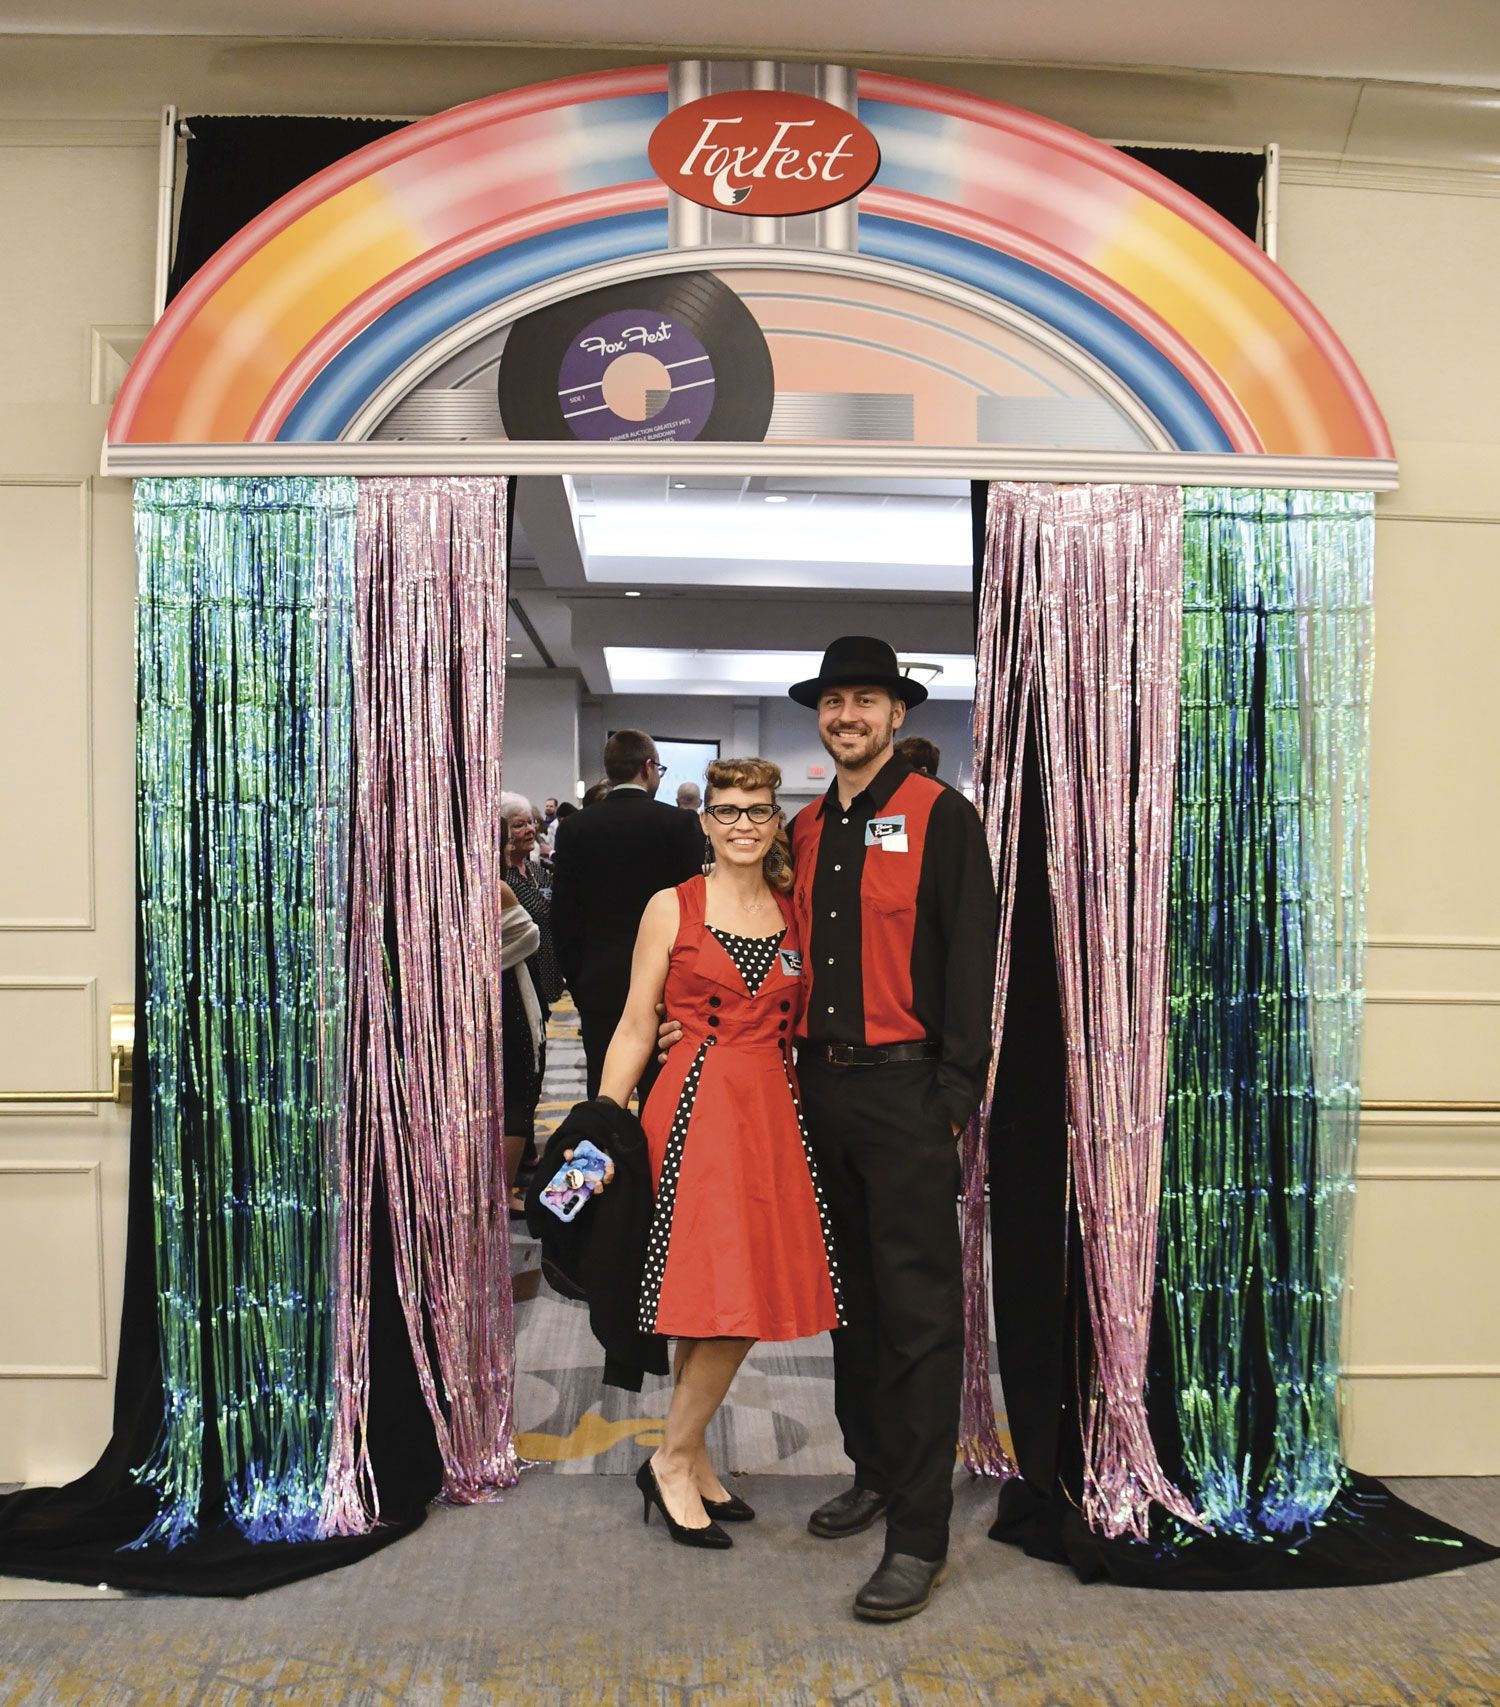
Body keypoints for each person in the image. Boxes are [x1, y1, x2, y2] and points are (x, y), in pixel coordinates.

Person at [658, 637, 996, 1621]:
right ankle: (875, 1468)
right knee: (852, 1299)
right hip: (814, 1096)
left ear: (899, 715)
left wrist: (952, 1098)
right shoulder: (806, 829)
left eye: (867, 701)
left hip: (906, 1096)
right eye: (834, 701)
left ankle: (920, 1534)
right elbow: (765, 941)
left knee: (921, 1314)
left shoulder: (942, 818)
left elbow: (971, 965)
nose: (847, 715)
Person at [594, 758, 841, 1549]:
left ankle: (687, 1455)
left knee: (741, 1291)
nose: (741, 823)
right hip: (694, 1108)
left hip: (772, 1113)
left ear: (776, 821)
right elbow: (636, 1025)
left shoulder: (796, 912)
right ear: (704, 820)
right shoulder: (672, 907)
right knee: (719, 1292)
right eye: (727, 810)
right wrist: (602, 1125)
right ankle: (672, 1459)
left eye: (757, 811)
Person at [551, 730, 703, 1100]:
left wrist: (579, 977)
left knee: (604, 1090)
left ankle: (602, 1155)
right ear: (648, 767)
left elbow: (564, 916)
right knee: (662, 1090)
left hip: (598, 977)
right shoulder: (678, 824)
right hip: (667, 982)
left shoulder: (574, 828)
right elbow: (695, 909)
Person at [501, 791, 563, 1205]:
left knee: (533, 1078)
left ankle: (526, 1160)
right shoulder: (502, 881)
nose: (529, 830)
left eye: (530, 823)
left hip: (539, 986)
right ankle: (504, 1188)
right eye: (518, 825)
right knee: (520, 1084)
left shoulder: (536, 868)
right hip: (514, 992)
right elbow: (525, 935)